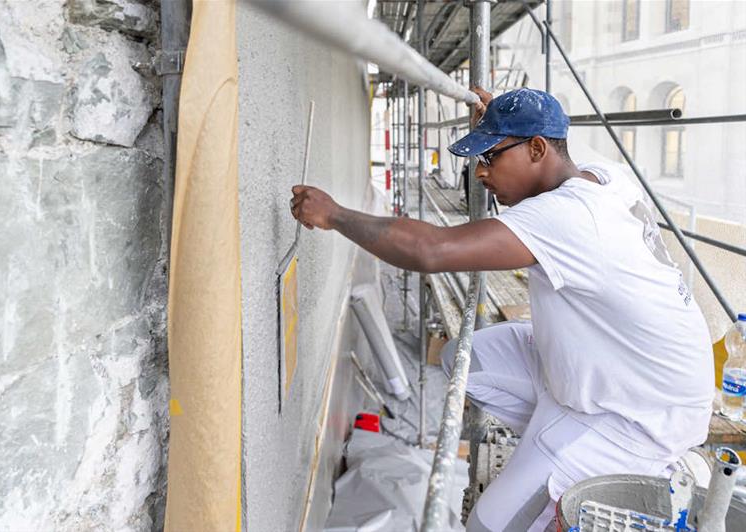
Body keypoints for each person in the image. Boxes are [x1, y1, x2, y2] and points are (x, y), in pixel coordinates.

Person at [289, 87, 713, 531]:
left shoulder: (567, 216)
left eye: (490, 157)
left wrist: (335, 214)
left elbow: (431, 250)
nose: (480, 173)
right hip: (617, 372)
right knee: (463, 360)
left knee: (486, 526)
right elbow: (558, 134)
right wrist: (502, 116)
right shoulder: (598, 174)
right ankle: (549, 440)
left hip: (632, 417)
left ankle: (581, 459)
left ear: (536, 149)